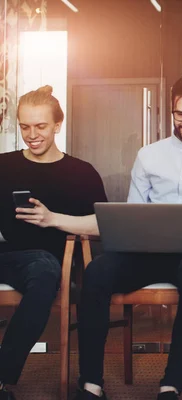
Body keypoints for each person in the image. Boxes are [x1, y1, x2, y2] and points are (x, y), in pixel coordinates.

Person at [74, 74, 182, 400]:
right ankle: (91, 383)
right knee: (96, 272)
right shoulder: (148, 155)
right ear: (171, 109)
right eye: (181, 114)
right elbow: (134, 210)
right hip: (150, 252)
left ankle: (171, 383)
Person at [0, 86, 107, 400]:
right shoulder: (3, 166)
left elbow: (102, 225)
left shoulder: (81, 172)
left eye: (40, 126)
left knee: (45, 268)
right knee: (43, 268)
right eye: (24, 127)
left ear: (58, 125)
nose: (32, 135)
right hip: (5, 256)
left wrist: (53, 219)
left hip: (47, 264)